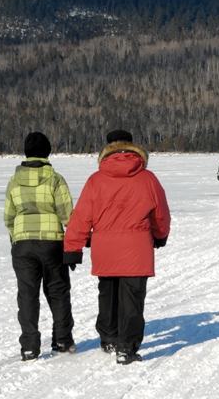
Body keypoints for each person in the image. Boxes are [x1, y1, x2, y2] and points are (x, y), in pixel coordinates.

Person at [64, 129, 171, 365]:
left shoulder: (96, 180)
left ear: (107, 149)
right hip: (137, 249)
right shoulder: (148, 179)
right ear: (132, 147)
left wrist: (73, 247)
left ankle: (109, 337)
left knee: (108, 293)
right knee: (132, 298)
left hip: (105, 249)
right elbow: (160, 213)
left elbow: (81, 216)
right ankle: (127, 347)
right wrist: (160, 235)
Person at [3, 131, 75, 361]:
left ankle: (29, 346)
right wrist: (72, 242)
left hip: (23, 244)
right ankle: (62, 340)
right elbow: (67, 214)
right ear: (48, 152)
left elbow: (8, 216)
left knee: (27, 295)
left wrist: (16, 238)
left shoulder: (14, 180)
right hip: (52, 242)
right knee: (58, 291)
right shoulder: (55, 179)